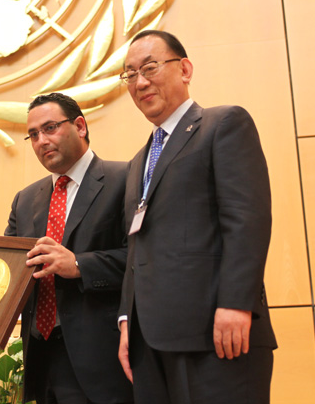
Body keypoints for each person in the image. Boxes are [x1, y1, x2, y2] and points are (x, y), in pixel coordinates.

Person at [117, 30, 276, 404]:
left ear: (185, 69)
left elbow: (246, 219)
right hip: (149, 342)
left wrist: (237, 303)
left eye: (150, 67)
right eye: (130, 75)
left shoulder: (222, 125)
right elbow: (136, 247)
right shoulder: (138, 161)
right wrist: (127, 320)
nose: (140, 82)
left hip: (216, 334)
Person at [5, 93, 133, 404]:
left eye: (49, 128)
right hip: (41, 357)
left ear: (80, 126)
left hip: (103, 359)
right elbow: (7, 268)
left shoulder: (126, 179)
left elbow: (144, 259)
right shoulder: (25, 199)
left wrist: (78, 265)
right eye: (33, 134)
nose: (41, 140)